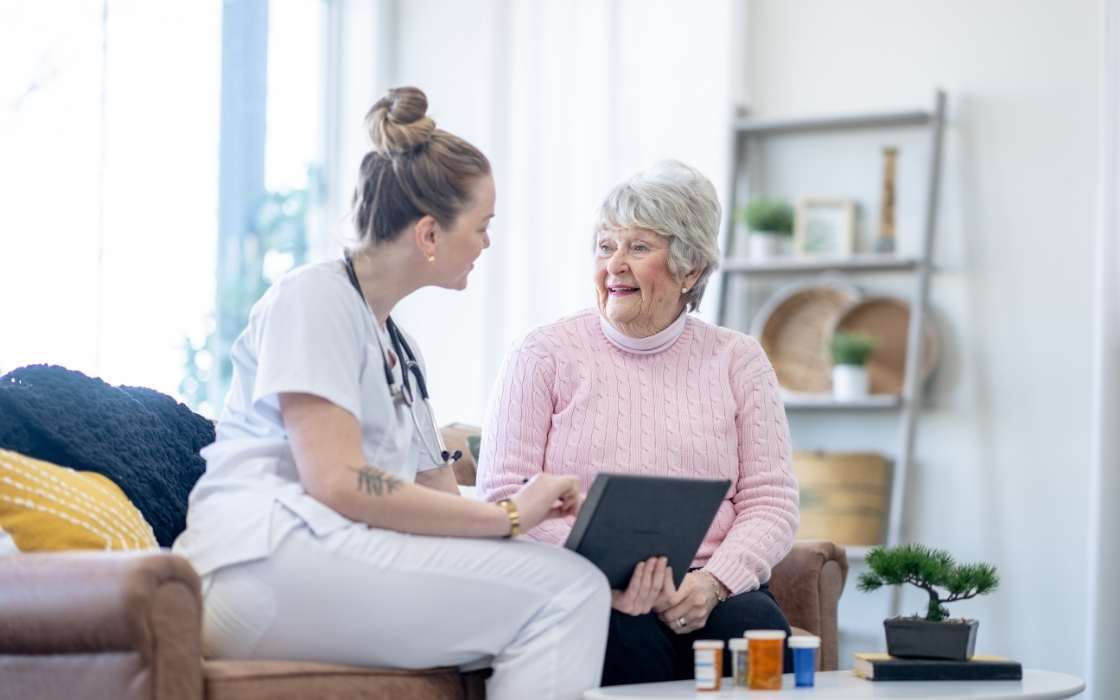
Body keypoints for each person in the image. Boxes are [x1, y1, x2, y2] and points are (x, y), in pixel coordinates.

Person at [172, 87, 611, 700]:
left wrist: (541, 518)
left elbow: (434, 493)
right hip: (259, 563)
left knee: (569, 578)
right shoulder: (313, 299)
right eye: (482, 227)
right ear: (429, 234)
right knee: (568, 592)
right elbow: (338, 479)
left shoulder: (400, 348)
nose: (486, 244)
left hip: (321, 555)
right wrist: (508, 516)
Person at [477, 160, 800, 686]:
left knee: (756, 627)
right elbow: (503, 495)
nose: (615, 265)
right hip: (587, 586)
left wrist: (713, 583)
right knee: (622, 635)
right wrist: (608, 580)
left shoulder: (738, 359)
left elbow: (772, 502)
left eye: (638, 247)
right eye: (606, 246)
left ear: (690, 270)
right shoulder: (542, 354)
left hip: (706, 585)